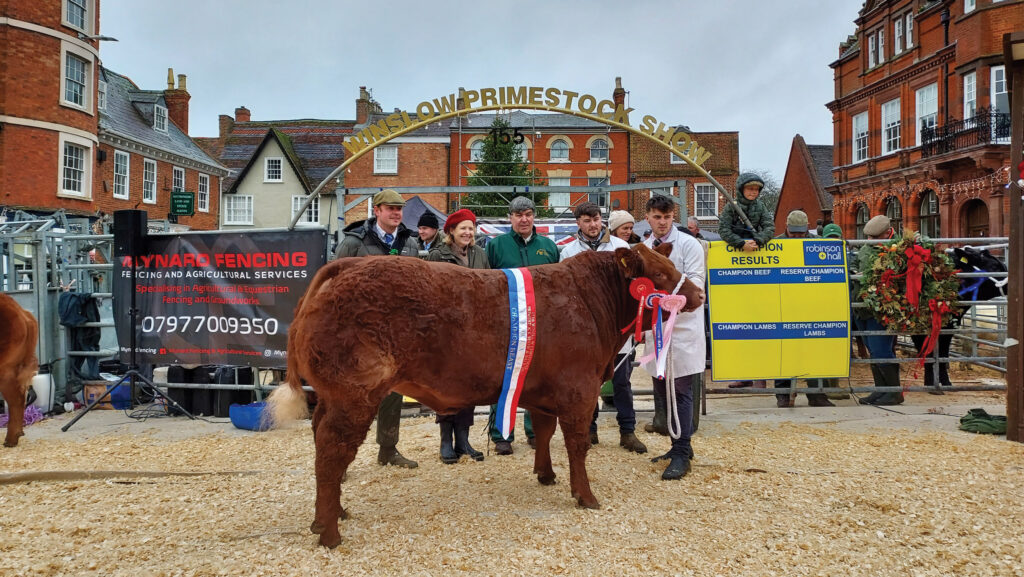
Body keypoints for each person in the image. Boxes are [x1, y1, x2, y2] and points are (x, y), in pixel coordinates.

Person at [334, 189, 420, 468]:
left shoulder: (410, 243)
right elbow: (334, 284)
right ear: (377, 211)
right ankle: (341, 457)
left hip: (395, 332)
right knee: (352, 395)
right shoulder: (353, 242)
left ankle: (388, 448)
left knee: (392, 392)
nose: (396, 213)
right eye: (390, 208)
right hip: (360, 331)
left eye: (399, 209)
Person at [559, 203, 647, 454]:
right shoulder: (568, 252)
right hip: (587, 331)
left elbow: (633, 287)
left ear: (602, 220)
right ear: (578, 223)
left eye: (596, 219)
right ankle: (590, 428)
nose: (593, 224)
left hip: (617, 327)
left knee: (622, 381)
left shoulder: (619, 248)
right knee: (589, 382)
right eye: (587, 220)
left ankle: (627, 431)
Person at [485, 196, 560, 455]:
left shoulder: (549, 247)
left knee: (539, 379)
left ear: (534, 216)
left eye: (528, 214)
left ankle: (535, 431)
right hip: (505, 324)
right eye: (518, 215)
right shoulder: (495, 246)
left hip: (542, 325)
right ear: (510, 218)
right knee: (502, 377)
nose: (524, 219)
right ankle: (501, 434)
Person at [641, 194, 706, 480]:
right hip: (656, 328)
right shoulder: (643, 248)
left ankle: (682, 450)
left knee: (681, 388)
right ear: (648, 218)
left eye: (667, 217)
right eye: (657, 217)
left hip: (682, 325)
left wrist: (670, 302)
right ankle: (676, 444)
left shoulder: (689, 244)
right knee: (662, 385)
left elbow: (696, 282)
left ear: (673, 217)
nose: (662, 222)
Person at [427, 209, 487, 463]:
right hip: (447, 331)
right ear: (450, 231)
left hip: (474, 331)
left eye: (471, 228)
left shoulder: (480, 255)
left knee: (469, 386)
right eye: (462, 228)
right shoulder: (437, 255)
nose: (467, 232)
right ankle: (445, 441)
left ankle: (463, 439)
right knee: (447, 387)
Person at [772, 210, 834, 408]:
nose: (798, 237)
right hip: (785, 304)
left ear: (807, 228)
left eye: (801, 233)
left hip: (810, 304)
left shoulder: (817, 244)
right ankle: (782, 394)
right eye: (794, 233)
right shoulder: (775, 245)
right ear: (786, 227)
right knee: (784, 351)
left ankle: (816, 395)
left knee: (812, 350)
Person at [854, 215, 903, 406]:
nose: (870, 241)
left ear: (887, 232)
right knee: (872, 349)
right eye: (869, 237)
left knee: (881, 349)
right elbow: (856, 262)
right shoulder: (866, 248)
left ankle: (894, 392)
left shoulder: (897, 249)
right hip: (862, 305)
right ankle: (881, 389)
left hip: (882, 305)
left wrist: (866, 276)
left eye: (875, 238)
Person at [822, 223, 851, 401]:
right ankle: (826, 386)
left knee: (838, 346)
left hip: (840, 307)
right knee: (825, 347)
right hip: (823, 307)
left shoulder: (847, 256)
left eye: (835, 239)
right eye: (829, 239)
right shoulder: (817, 256)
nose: (832, 243)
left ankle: (835, 384)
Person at [718, 173, 775, 252]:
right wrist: (741, 244)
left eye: (756, 189)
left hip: (755, 248)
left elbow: (770, 227)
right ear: (741, 189)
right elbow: (723, 229)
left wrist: (758, 240)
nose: (754, 192)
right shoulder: (731, 206)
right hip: (734, 251)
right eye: (751, 189)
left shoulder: (761, 206)